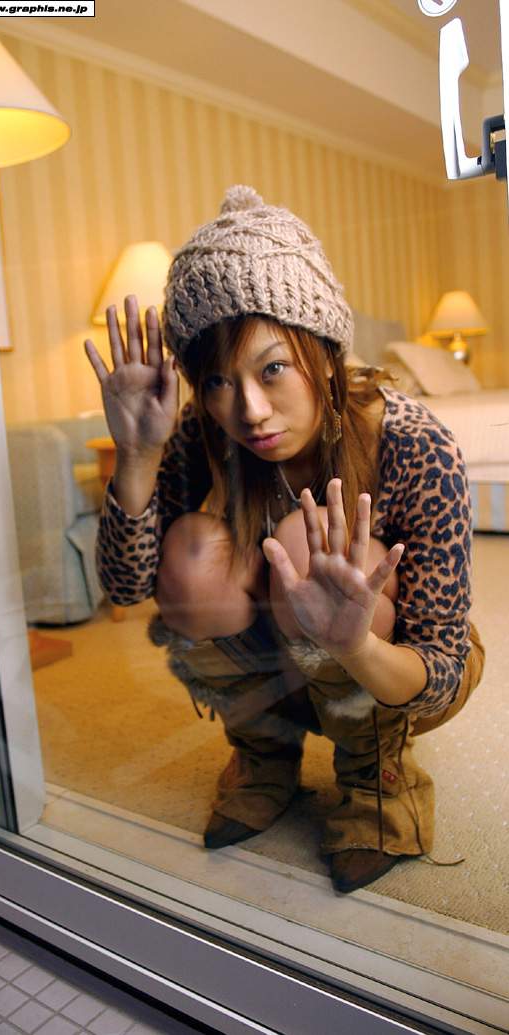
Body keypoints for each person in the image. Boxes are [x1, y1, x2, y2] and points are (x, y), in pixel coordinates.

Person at [84, 185, 485, 894]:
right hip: (278, 655)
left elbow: (443, 670)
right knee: (194, 555)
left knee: (310, 543)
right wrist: (138, 454)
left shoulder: (414, 444)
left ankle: (376, 783)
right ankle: (264, 752)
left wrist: (355, 644)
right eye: (217, 380)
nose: (249, 410)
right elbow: (126, 586)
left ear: (324, 353)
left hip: (388, 667)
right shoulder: (203, 433)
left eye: (273, 368)